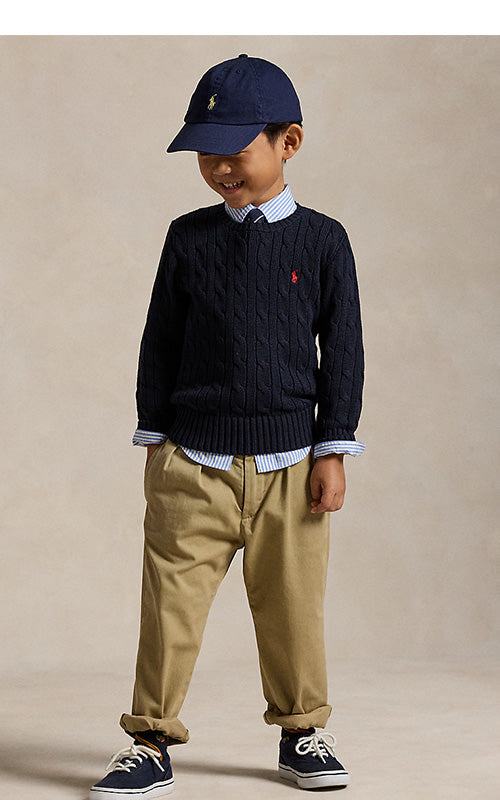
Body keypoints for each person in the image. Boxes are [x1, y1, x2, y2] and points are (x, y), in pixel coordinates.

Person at [90, 53, 365, 799]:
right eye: (205, 153)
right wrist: (155, 439)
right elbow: (160, 341)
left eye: (234, 151)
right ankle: (150, 741)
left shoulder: (324, 241)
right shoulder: (188, 238)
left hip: (291, 470)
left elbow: (343, 350)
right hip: (192, 464)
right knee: (168, 608)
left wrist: (333, 449)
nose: (218, 167)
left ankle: (302, 732)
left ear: (288, 143)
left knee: (293, 610)